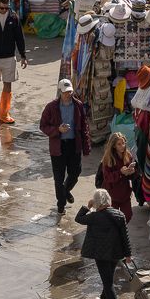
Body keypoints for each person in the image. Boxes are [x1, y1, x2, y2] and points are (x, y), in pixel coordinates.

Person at [75, 189, 132, 299]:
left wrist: (87, 206)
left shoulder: (94, 216)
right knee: (108, 278)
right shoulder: (119, 215)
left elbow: (78, 218)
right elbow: (125, 237)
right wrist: (128, 254)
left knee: (107, 282)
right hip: (115, 253)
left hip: (101, 254)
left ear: (96, 202)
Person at [40, 79, 91, 214]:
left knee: (75, 173)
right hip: (58, 147)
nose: (68, 94)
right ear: (60, 92)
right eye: (65, 92)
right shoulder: (51, 107)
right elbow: (43, 126)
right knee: (59, 177)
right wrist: (57, 130)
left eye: (70, 92)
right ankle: (61, 204)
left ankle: (66, 191)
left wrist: (86, 146)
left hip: (74, 145)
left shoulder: (78, 105)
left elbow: (84, 126)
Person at [97, 131, 137, 222]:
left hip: (125, 193)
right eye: (119, 144)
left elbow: (133, 176)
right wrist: (120, 172)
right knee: (112, 218)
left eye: (123, 143)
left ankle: (120, 232)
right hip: (111, 194)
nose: (122, 146)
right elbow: (107, 177)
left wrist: (132, 172)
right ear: (114, 145)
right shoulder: (108, 159)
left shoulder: (128, 155)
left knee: (127, 216)